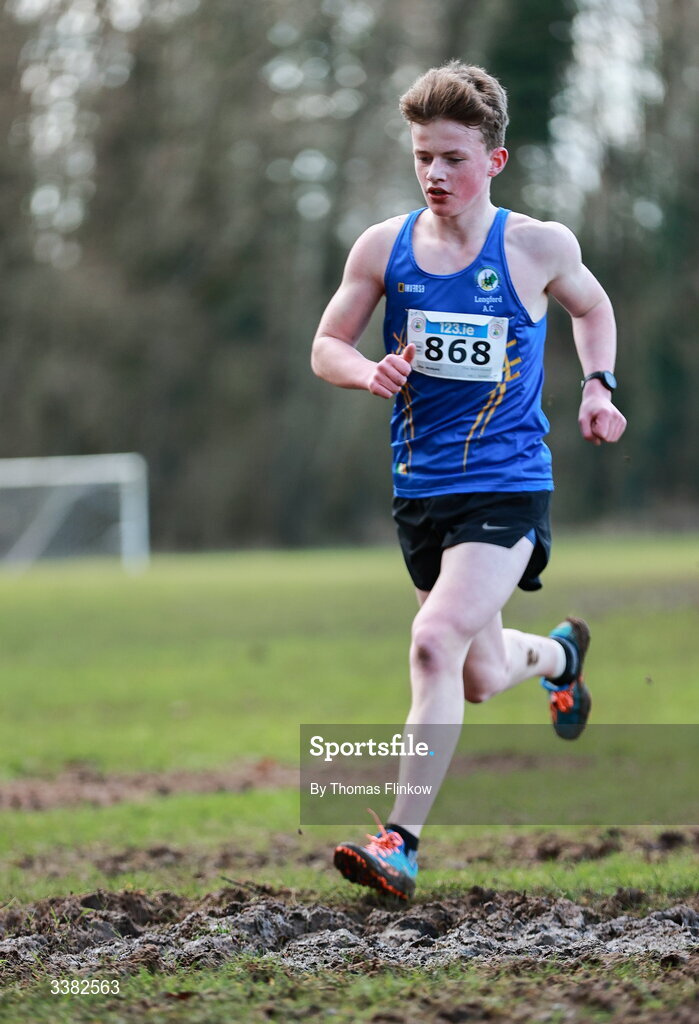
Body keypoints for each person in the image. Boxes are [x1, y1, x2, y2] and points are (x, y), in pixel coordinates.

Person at [310, 61, 627, 900]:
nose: (434, 174)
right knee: (478, 675)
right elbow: (325, 344)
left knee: (432, 642)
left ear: (494, 161)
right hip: (419, 491)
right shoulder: (383, 246)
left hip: (505, 485)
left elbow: (591, 309)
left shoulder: (534, 245)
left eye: (452, 157)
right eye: (422, 157)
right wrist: (362, 371)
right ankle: (560, 655)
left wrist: (598, 386)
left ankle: (399, 843)